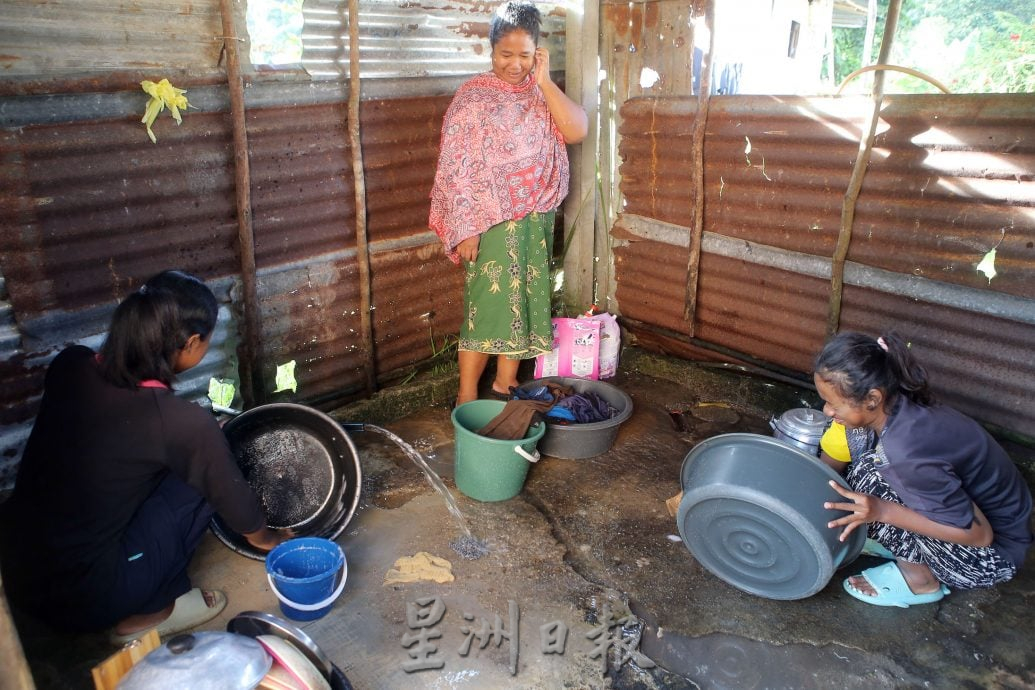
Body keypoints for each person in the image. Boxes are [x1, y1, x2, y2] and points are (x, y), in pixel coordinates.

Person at [0, 270, 289, 643]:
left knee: (198, 453)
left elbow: (124, 443)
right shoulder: (180, 424)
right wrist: (268, 540)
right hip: (86, 598)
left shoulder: (70, 364)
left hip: (17, 570)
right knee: (208, 471)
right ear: (192, 342)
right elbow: (242, 514)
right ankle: (151, 613)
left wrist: (200, 439)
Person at [429, 0, 588, 407]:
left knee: (526, 304)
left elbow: (576, 131)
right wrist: (466, 228)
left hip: (535, 217)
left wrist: (545, 81)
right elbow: (457, 168)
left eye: (525, 55)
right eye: (506, 54)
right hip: (488, 223)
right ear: (491, 50)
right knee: (486, 306)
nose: (515, 64)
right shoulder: (473, 98)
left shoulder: (542, 93)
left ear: (538, 53)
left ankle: (506, 382)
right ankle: (466, 394)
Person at [814, 331, 1033, 608]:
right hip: (997, 524)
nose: (826, 410)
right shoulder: (901, 404)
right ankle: (911, 548)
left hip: (989, 558)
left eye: (833, 404)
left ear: (872, 398)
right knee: (867, 468)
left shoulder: (906, 453)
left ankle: (920, 580)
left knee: (870, 485)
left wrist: (882, 512)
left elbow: (979, 536)